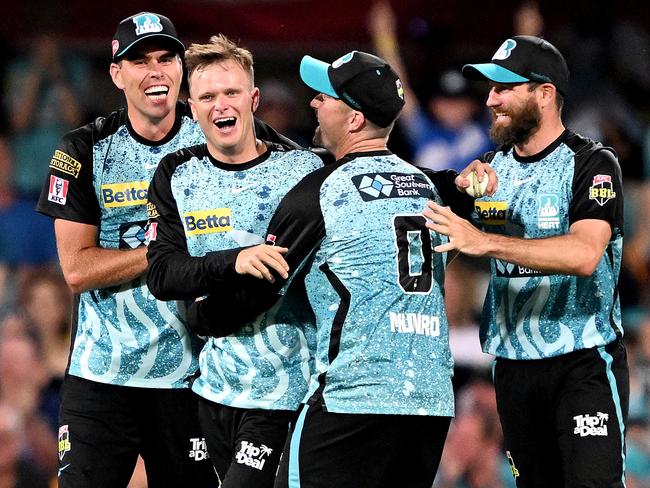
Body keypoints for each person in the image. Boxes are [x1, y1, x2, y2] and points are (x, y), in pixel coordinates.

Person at [34, 12, 289, 488]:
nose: (155, 71)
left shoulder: (215, 129)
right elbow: (76, 270)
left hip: (190, 378)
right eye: (139, 61)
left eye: (166, 57)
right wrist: (169, 254)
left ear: (181, 71)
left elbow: (306, 172)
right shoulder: (85, 150)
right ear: (116, 75)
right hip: (101, 377)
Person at [184, 50, 457, 488]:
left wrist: (198, 315)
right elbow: (467, 199)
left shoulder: (321, 191)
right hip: (431, 404)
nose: (312, 102)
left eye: (325, 96)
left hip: (352, 400)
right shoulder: (429, 186)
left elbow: (256, 292)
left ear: (353, 120)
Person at [424, 35, 629, 487]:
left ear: (545, 93)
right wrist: (459, 194)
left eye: (504, 87)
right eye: (490, 88)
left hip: (582, 363)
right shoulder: (489, 170)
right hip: (513, 367)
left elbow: (584, 253)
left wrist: (486, 242)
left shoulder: (592, 163)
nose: (491, 99)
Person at [145, 34, 323, 487]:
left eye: (231, 92)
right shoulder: (177, 174)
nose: (220, 105)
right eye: (207, 96)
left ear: (254, 99)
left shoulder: (303, 172)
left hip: (284, 391)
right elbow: (163, 274)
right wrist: (235, 260)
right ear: (191, 105)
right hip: (210, 389)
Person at [368, 1, 492, 173]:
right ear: (435, 105)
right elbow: (397, 84)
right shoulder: (423, 130)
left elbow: (515, 83)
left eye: (460, 102)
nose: (453, 109)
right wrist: (383, 36)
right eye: (447, 102)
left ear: (472, 105)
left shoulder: (486, 131)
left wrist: (527, 33)